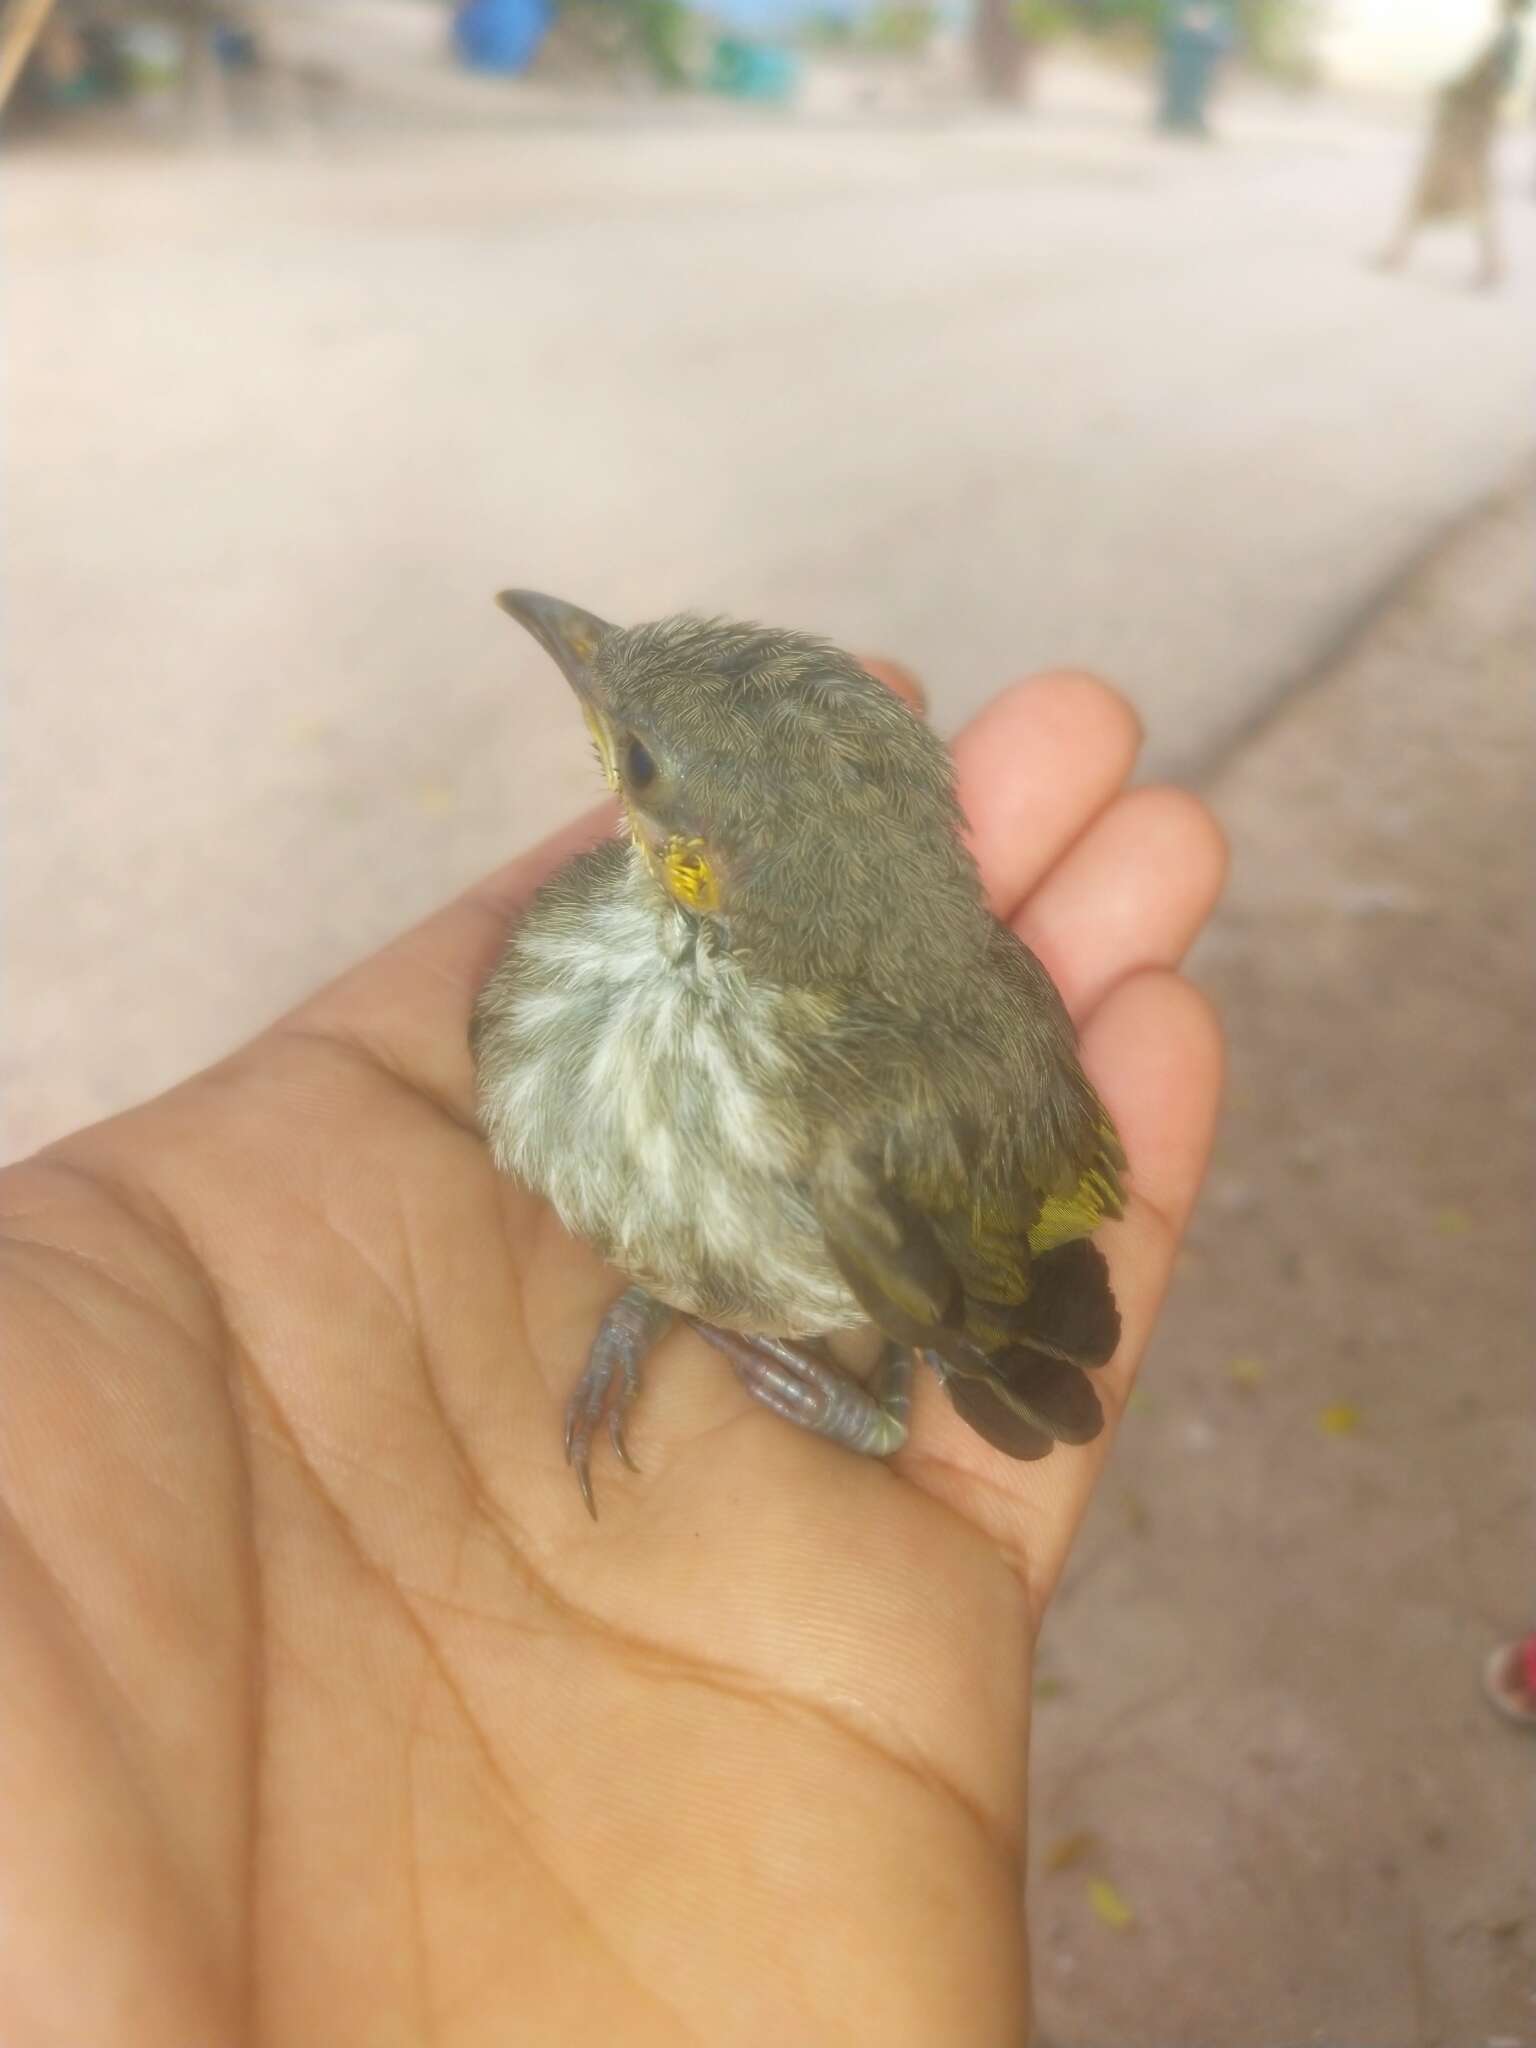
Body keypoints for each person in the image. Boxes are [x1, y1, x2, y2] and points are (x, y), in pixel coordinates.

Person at [0, 663, 1225, 2043]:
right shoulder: (566, 957)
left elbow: (1026, 1274)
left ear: (704, 865)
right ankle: (699, 1294)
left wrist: (896, 1384)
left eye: (636, 764)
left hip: (928, 1186)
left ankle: (863, 1405)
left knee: (908, 1322)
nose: (610, 744)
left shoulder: (894, 1118)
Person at [1377, 0, 1531, 289]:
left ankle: (1401, 250)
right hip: (1470, 123)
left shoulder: (1508, 38)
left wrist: (1457, 91)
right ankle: (1487, 262)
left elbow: (1493, 84)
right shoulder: (1506, 36)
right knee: (1466, 188)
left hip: (1469, 126)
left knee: (1458, 186)